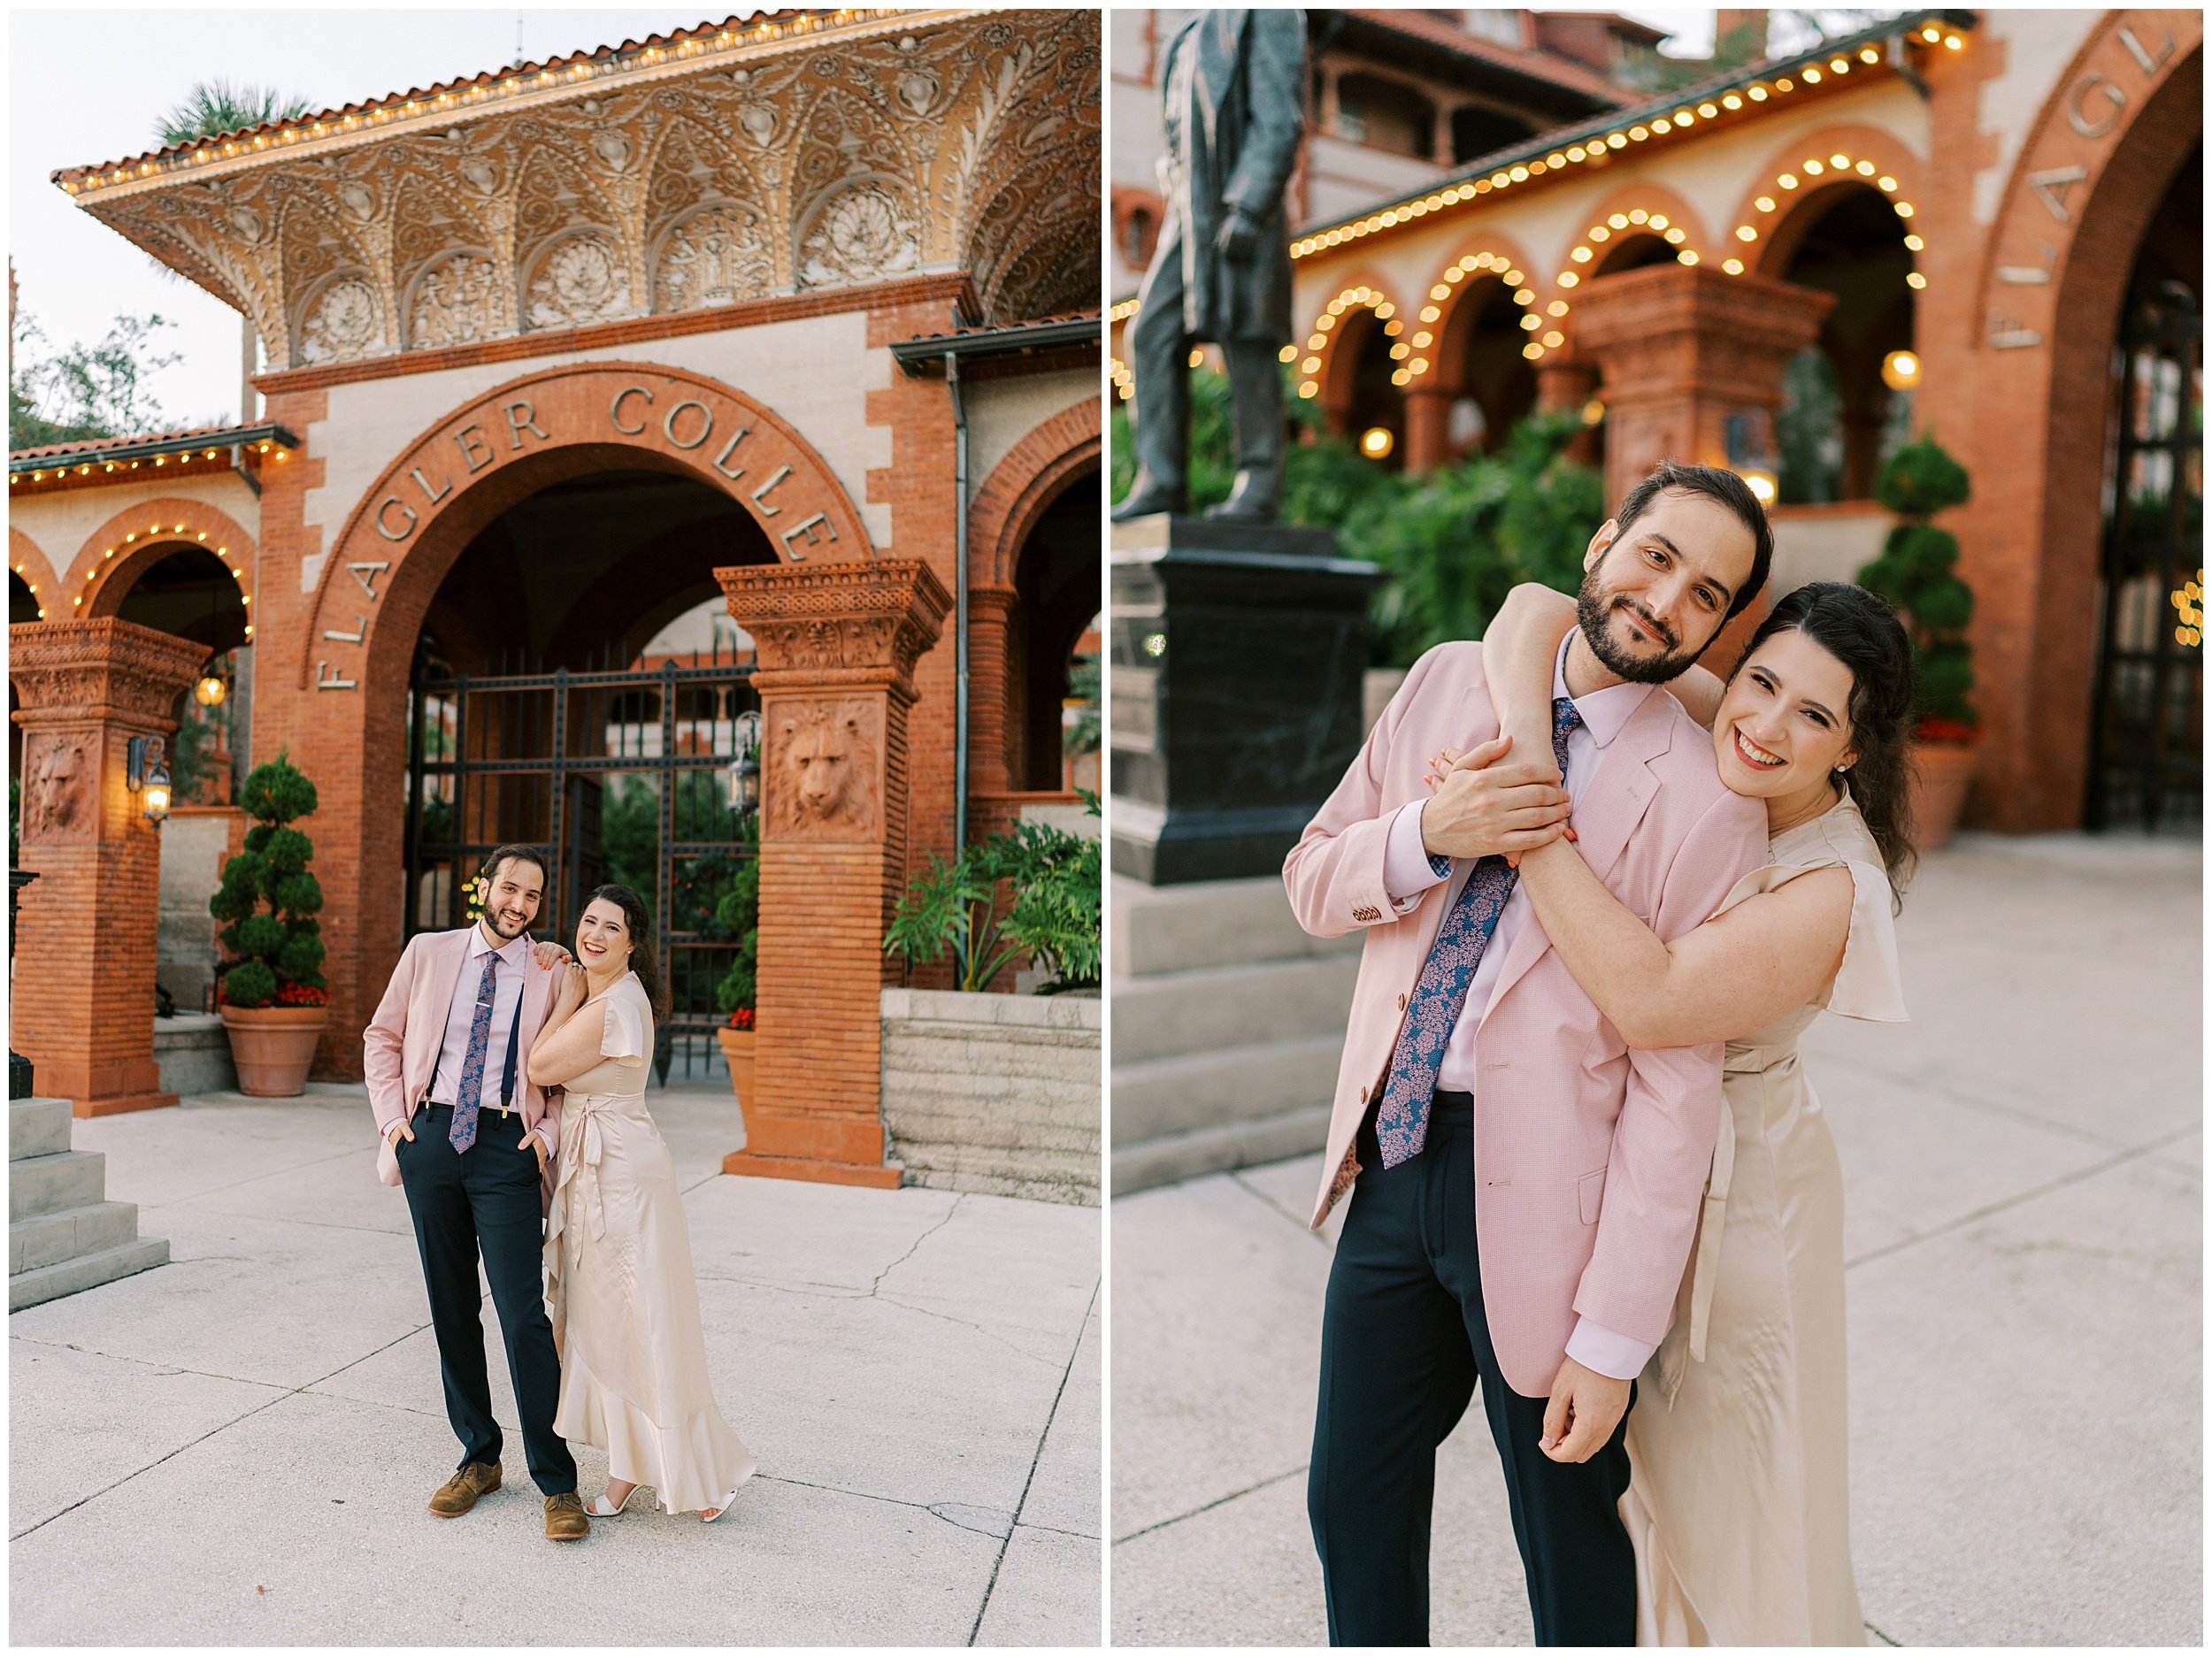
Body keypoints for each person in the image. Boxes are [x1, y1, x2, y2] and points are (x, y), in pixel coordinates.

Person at [1287, 461, 1775, 1646]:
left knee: (1572, 1557)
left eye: (1707, 595)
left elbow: (1677, 1085)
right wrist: (1423, 836)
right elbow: (1313, 877)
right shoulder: (1452, 680)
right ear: (1608, 541)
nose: (1667, 600)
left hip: (1561, 1210)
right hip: (1393, 1163)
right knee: (1351, 1502)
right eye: (1658, 556)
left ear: (1719, 628)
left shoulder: (1710, 805)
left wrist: (1612, 1341)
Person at [1447, 577, 1916, 1644]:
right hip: (1640, 1180)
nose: (1766, 723)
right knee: (1643, 1512)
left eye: (1814, 716)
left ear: (1850, 748)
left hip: (1740, 1213)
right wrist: (1529, 742)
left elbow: (1650, 1001)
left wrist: (1529, 826)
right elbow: (1529, 609)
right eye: (1760, 682)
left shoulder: (1832, 884)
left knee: (1745, 1514)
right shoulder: (1733, 725)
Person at [365, 845, 588, 1542]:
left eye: (533, 895)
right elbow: (384, 1035)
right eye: (510, 888)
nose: (519, 904)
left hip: (505, 1149)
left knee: (524, 1313)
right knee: (451, 1305)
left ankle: (556, 1480)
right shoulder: (428, 953)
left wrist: (545, 1137)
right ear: (484, 887)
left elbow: (564, 1073)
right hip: (430, 1139)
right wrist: (394, 1122)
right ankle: (479, 1456)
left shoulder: (551, 974)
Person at [528, 884, 756, 1522]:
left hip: (621, 1177)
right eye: (587, 921)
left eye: (611, 927)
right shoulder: (609, 994)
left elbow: (540, 1066)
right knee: (613, 1324)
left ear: (633, 942)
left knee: (641, 1319)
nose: (594, 935)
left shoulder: (610, 1006)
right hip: (606, 1168)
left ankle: (693, 1476)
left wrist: (567, 998)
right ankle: (633, 1469)